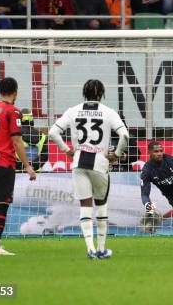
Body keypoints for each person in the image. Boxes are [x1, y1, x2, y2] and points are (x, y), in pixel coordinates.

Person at [48, 79, 129, 259]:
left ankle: (90, 249)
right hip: (100, 163)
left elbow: (53, 132)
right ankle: (101, 249)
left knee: (85, 205)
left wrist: (67, 150)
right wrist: (116, 153)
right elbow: (124, 135)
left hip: (79, 163)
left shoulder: (73, 110)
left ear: (84, 93)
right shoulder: (108, 112)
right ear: (101, 94)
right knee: (101, 205)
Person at [0, 78, 37, 256]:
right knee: (2, 203)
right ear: (16, 92)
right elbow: (16, 140)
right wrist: (27, 165)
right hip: (3, 162)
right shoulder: (13, 111)